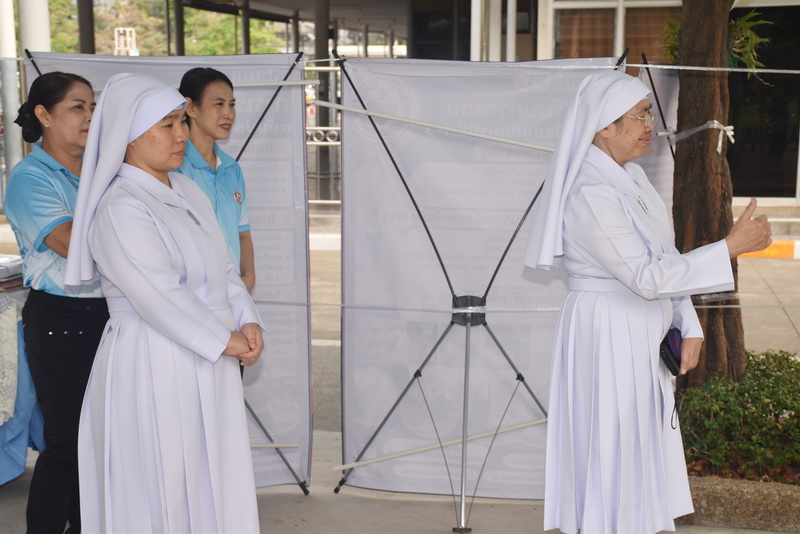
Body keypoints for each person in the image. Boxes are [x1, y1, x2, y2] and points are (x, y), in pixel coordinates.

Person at [523, 70, 771, 534]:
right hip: (608, 331)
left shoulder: (632, 178)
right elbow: (646, 275)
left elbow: (665, 257)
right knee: (612, 443)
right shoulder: (589, 195)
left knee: (640, 444)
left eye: (650, 114)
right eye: (639, 116)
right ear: (604, 126)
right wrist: (727, 249)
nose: (649, 126)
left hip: (642, 328)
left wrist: (688, 324)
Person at [64, 73, 264, 533]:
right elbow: (157, 293)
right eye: (167, 125)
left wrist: (247, 320)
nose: (181, 135)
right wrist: (226, 339)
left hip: (209, 353)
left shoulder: (187, 189)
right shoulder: (120, 206)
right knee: (164, 480)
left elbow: (223, 267)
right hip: (153, 358)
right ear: (129, 135)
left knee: (213, 475)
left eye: (181, 121)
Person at [5, 71, 108, 534]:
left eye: (92, 107)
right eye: (77, 107)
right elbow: (69, 243)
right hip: (61, 320)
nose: (89, 116)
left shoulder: (100, 170)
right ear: (44, 115)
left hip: (106, 314)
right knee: (66, 444)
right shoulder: (30, 177)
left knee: (97, 444)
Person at [177, 67, 255, 292]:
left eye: (232, 104)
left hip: (235, 293)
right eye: (219, 104)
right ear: (191, 107)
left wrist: (248, 278)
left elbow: (242, 233)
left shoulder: (231, 168)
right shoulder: (174, 167)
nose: (228, 114)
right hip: (193, 294)